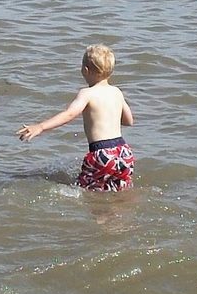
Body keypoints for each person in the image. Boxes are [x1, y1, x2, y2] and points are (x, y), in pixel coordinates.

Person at [18, 45, 135, 192]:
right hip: (123, 152)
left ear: (85, 70)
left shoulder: (86, 93)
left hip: (102, 153)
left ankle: (100, 215)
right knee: (118, 190)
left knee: (86, 191)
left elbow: (69, 114)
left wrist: (41, 127)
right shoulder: (116, 92)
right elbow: (128, 121)